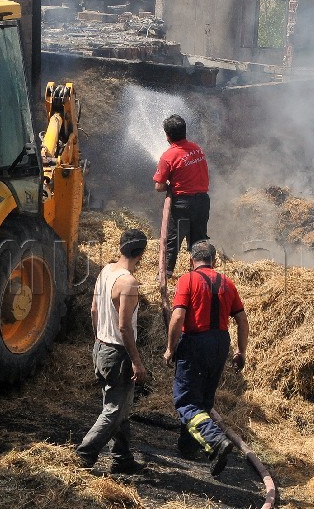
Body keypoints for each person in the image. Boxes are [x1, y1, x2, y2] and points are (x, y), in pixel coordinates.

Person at [163, 239, 249, 477]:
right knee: (203, 399)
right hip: (220, 344)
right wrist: (241, 351)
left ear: (191, 260)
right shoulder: (227, 283)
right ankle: (188, 445)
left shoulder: (187, 280)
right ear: (214, 260)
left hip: (195, 343)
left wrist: (170, 348)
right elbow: (242, 320)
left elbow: (178, 317)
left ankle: (215, 440)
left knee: (186, 401)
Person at [76, 229, 151, 474]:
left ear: (120, 247)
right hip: (118, 354)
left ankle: (122, 459)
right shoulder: (128, 283)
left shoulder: (106, 271)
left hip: (101, 347)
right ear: (141, 253)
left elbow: (94, 310)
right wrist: (137, 362)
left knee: (120, 408)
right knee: (114, 411)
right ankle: (84, 456)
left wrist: (99, 340)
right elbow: (124, 327)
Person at [153, 114, 210, 275]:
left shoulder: (168, 156)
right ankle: (201, 274)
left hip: (182, 205)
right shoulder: (197, 149)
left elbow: (159, 186)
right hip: (203, 202)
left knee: (172, 241)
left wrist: (170, 184)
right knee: (198, 241)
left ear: (167, 135)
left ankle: (165, 274)